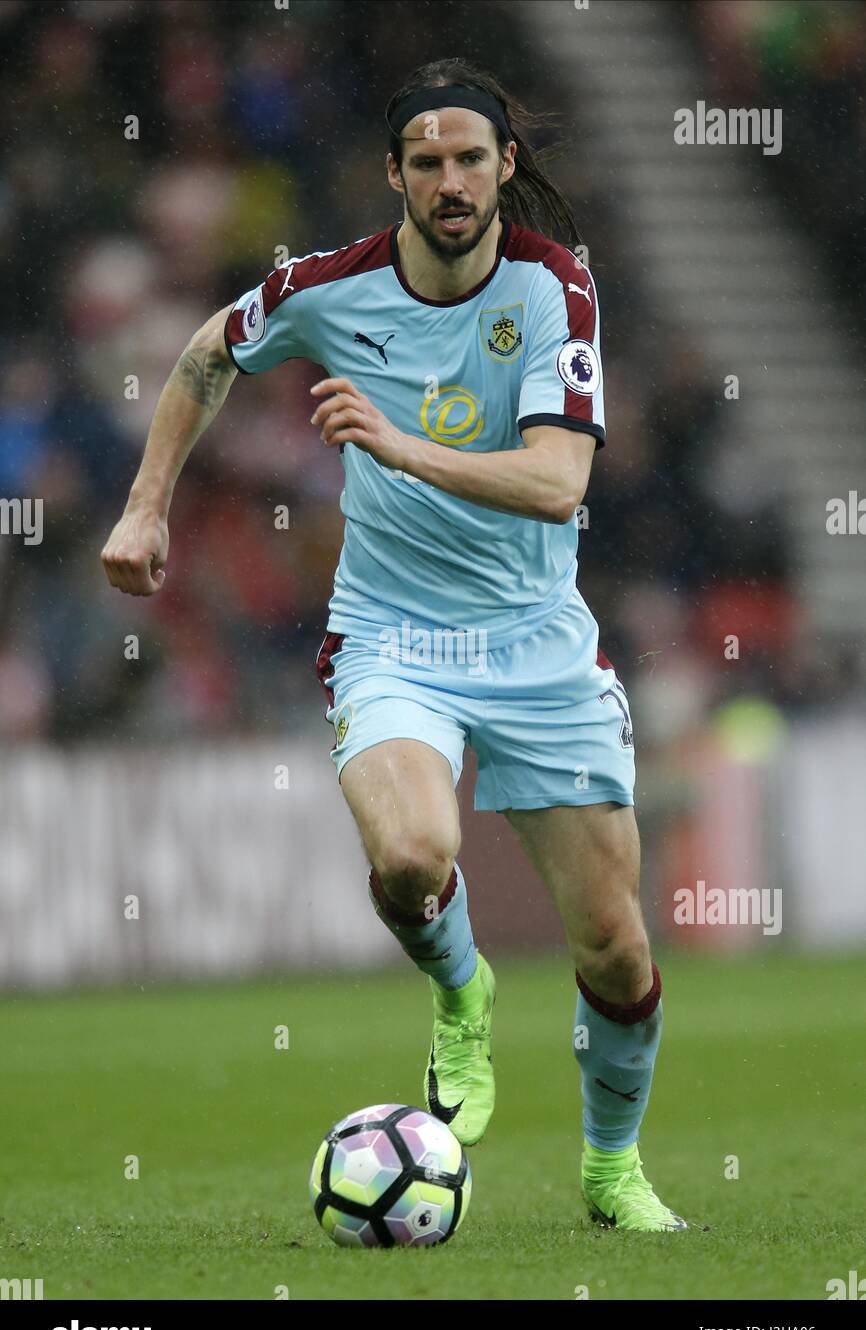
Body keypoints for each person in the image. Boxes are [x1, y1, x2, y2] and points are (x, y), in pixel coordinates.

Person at [101, 57, 685, 1232]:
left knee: (616, 949)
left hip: (536, 643)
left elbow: (556, 478)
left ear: (504, 167)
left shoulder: (554, 288)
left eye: (470, 157)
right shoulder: (329, 287)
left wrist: (394, 441)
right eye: (426, 162)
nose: (450, 180)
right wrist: (146, 502)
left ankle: (611, 1168)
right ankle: (460, 993)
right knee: (414, 857)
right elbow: (210, 350)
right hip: (392, 638)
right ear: (394, 176)